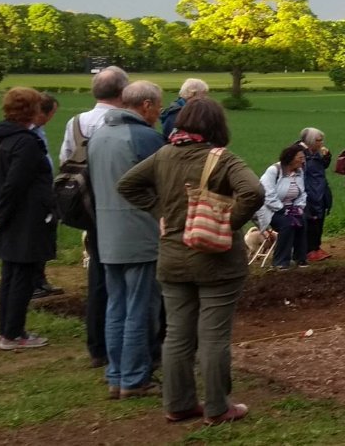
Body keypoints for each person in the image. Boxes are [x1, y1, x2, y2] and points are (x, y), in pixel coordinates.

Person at [117, 97, 263, 425]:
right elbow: (253, 191)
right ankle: (217, 407)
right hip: (217, 261)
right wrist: (229, 222)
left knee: (178, 334)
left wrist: (160, 212)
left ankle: (178, 404)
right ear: (217, 126)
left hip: (172, 257)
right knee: (213, 336)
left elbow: (126, 184)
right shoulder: (222, 159)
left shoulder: (164, 154)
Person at [88, 81, 166, 398]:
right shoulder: (145, 138)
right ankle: (135, 379)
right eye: (158, 106)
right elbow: (164, 185)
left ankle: (116, 374)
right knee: (140, 309)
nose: (160, 112)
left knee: (115, 307)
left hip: (107, 234)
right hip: (141, 235)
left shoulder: (98, 136)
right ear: (146, 105)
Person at [0, 87, 60, 350]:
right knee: (22, 276)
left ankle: (6, 331)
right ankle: (14, 335)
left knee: (10, 274)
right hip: (24, 218)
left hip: (7, 216)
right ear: (31, 110)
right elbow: (15, 183)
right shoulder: (26, 142)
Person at [61, 66, 129, 367]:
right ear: (122, 92)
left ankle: (97, 346)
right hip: (118, 207)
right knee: (126, 277)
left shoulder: (76, 122)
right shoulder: (122, 123)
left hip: (86, 207)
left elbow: (66, 161)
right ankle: (124, 343)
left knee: (98, 275)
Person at [31, 93, 65, 299]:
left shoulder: (39, 130)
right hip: (35, 195)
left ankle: (40, 280)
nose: (53, 117)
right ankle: (34, 283)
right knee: (35, 239)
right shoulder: (28, 133)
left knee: (45, 238)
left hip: (45, 190)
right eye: (52, 113)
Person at [258, 144, 310, 268]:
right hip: (271, 210)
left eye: (303, 158)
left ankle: (300, 258)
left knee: (302, 221)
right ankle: (280, 261)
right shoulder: (274, 171)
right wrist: (282, 209)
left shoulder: (299, 172)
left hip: (291, 207)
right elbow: (267, 194)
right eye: (300, 158)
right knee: (287, 225)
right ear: (291, 158)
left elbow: (302, 193)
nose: (303, 161)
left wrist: (298, 208)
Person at [297, 128, 333, 262]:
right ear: (310, 141)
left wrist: (327, 156)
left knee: (319, 221)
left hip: (320, 191)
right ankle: (309, 250)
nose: (321, 143)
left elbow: (322, 167)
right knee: (311, 222)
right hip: (308, 193)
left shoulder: (316, 153)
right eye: (318, 140)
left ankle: (317, 248)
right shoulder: (299, 154)